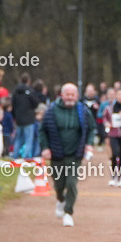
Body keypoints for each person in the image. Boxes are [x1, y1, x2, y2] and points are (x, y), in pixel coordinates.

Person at [41, 83, 94, 226]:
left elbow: (91, 128)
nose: (70, 97)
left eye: (73, 94)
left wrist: (89, 144)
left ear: (77, 96)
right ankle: (60, 199)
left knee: (71, 183)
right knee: (59, 184)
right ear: (62, 95)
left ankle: (68, 213)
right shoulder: (52, 111)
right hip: (57, 154)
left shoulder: (83, 111)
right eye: (67, 94)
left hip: (75, 154)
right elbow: (42, 130)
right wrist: (45, 147)